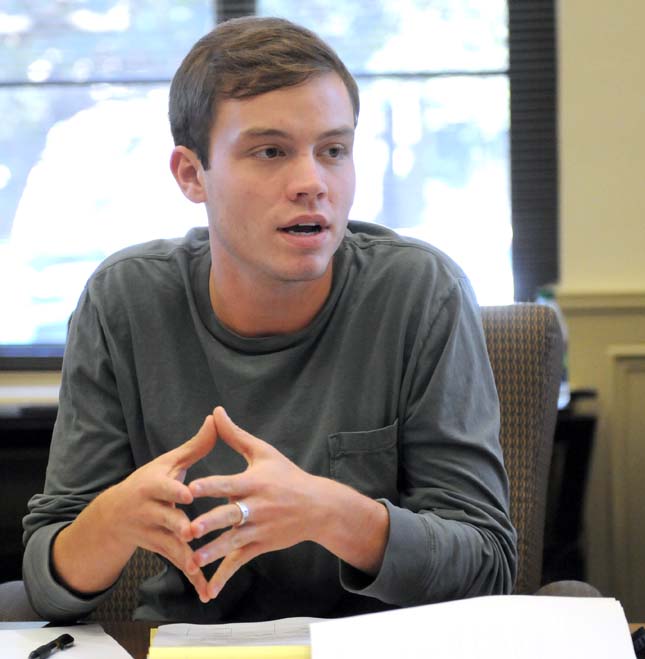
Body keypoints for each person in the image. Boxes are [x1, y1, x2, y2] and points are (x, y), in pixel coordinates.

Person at [22, 16, 517, 624]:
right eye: (270, 151)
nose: (313, 182)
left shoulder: (420, 291)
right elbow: (46, 585)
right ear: (190, 174)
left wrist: (328, 513)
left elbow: (490, 565)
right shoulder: (122, 301)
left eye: (333, 150)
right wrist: (114, 517)